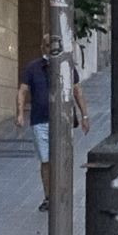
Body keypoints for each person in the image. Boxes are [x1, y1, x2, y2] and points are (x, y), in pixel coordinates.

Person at [17, 43, 90, 212]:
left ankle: (62, 194)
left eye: (55, 46)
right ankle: (49, 196)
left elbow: (77, 91)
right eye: (49, 46)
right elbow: (22, 90)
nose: (52, 50)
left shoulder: (66, 66)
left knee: (62, 158)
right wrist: (20, 113)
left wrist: (84, 116)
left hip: (63, 120)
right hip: (40, 120)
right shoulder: (33, 68)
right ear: (43, 48)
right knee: (46, 160)